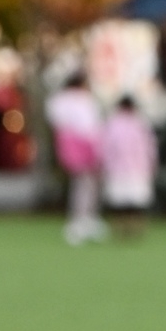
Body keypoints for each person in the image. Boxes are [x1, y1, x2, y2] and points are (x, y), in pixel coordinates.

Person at [47, 70, 105, 244]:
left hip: (67, 143)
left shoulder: (58, 100)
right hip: (84, 143)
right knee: (86, 183)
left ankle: (85, 219)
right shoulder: (83, 100)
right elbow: (90, 125)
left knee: (82, 183)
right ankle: (81, 220)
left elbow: (55, 120)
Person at [100, 94, 157, 241]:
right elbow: (150, 148)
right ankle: (135, 229)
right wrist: (151, 165)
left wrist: (103, 165)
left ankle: (119, 229)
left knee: (119, 203)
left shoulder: (112, 124)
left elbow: (105, 148)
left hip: (118, 169)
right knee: (136, 203)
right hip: (138, 169)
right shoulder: (141, 124)